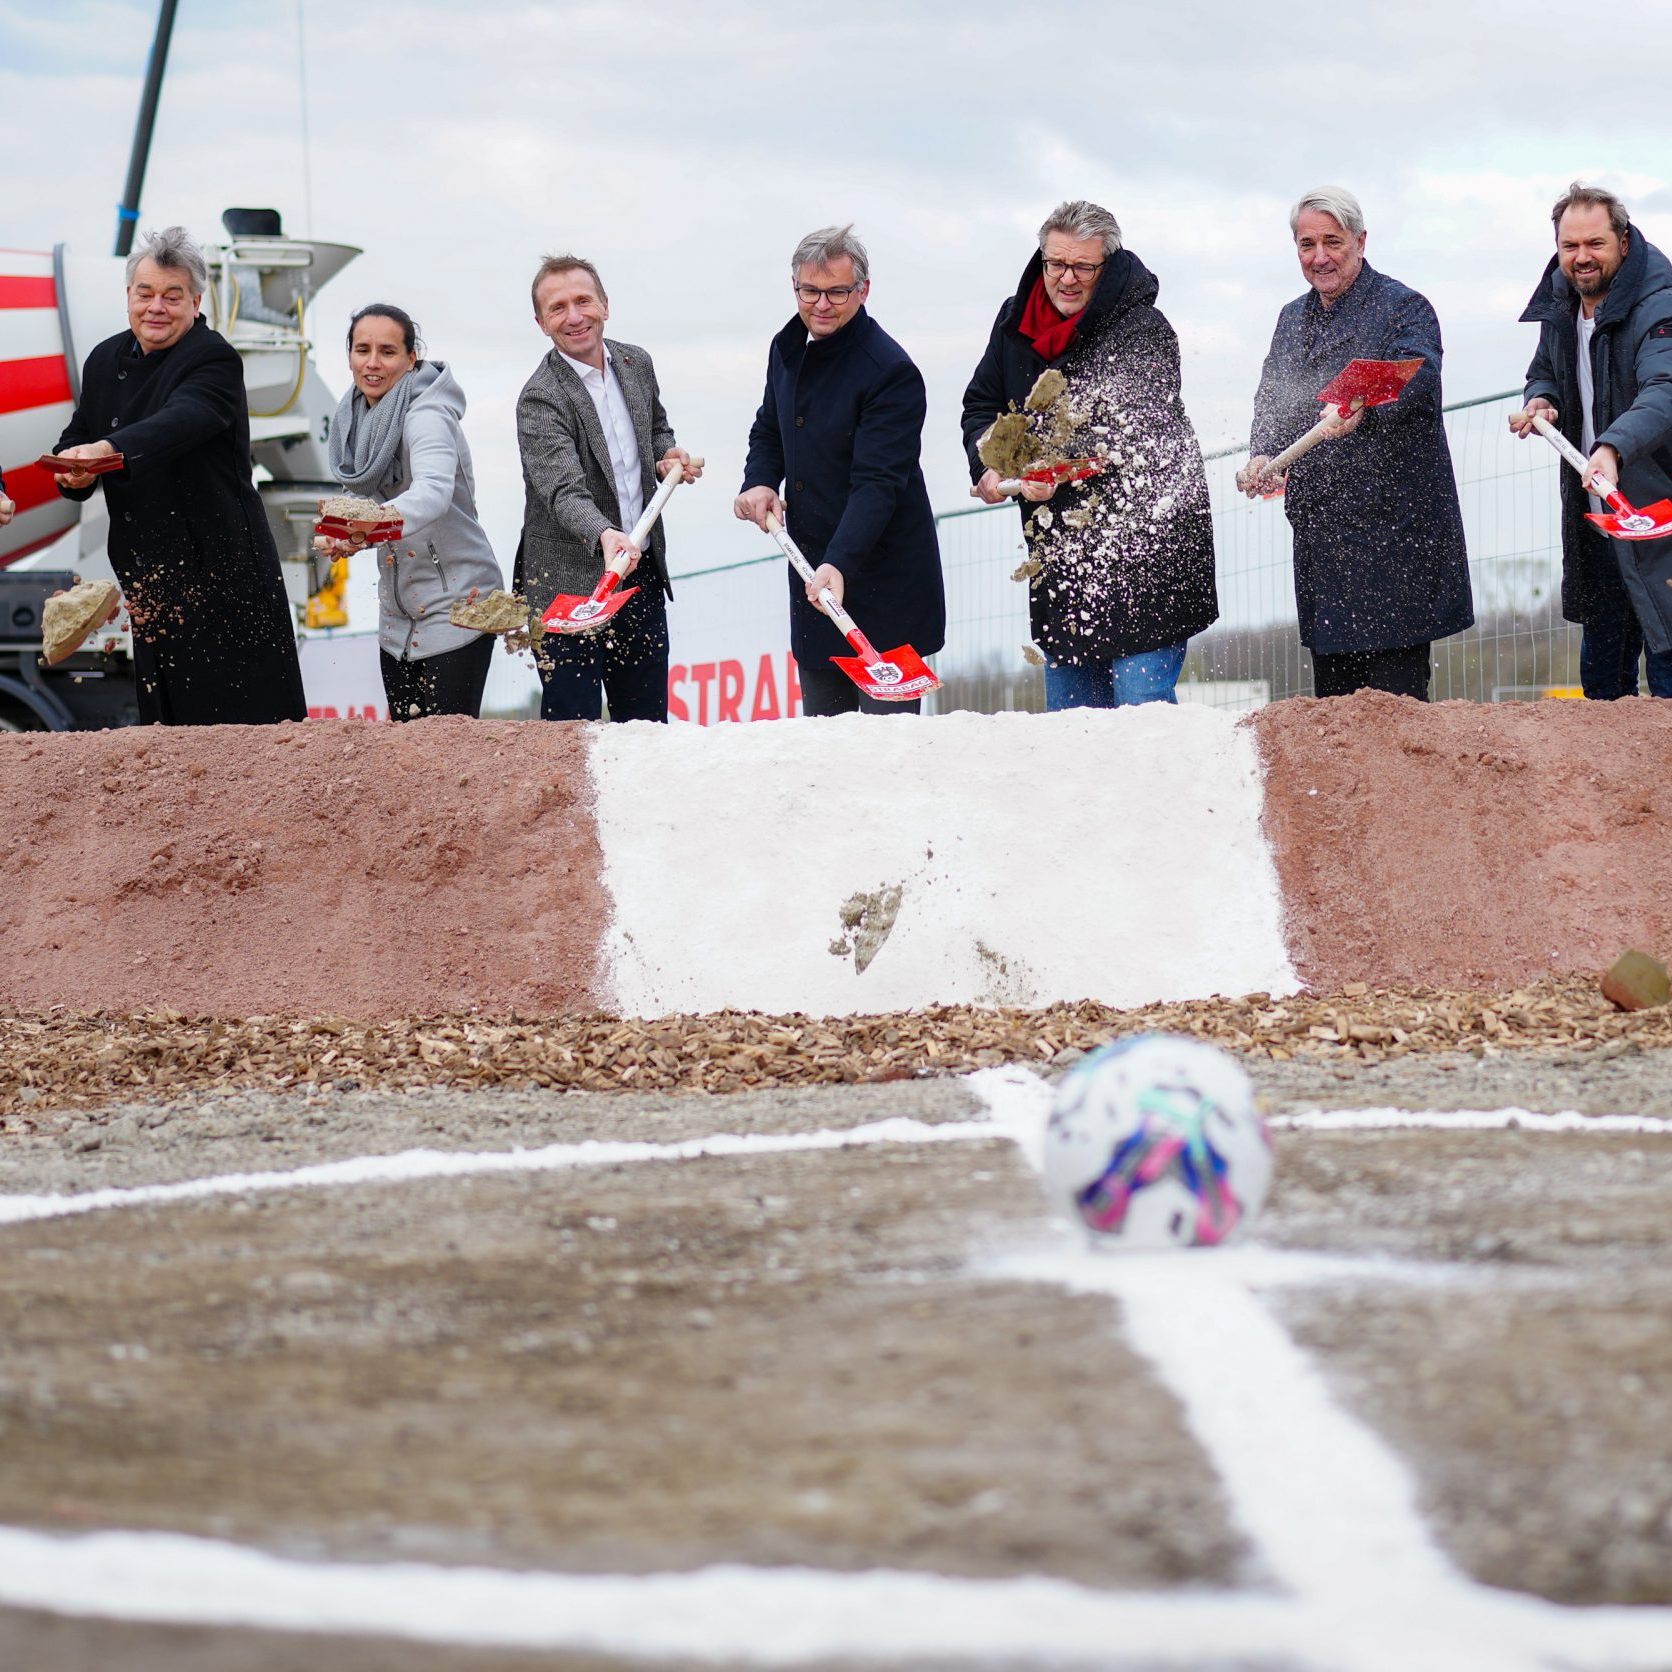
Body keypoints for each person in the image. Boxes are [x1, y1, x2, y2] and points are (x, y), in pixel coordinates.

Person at [962, 200, 1216, 709]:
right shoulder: (1015, 322)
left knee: (1141, 717)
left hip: (1147, 555)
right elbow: (981, 405)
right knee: (1073, 733)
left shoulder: (1143, 329)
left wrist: (1044, 467)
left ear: (1109, 264)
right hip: (1062, 565)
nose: (1067, 278)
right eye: (1056, 263)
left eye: (1083, 266)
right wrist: (992, 463)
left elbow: (1132, 426)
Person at [50, 224, 306, 725]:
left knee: (244, 730)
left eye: (173, 295)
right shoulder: (105, 359)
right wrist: (72, 472)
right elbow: (77, 433)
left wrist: (108, 449)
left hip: (222, 573)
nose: (156, 307)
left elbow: (180, 422)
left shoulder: (213, 358)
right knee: (166, 730)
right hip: (148, 577)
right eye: (145, 294)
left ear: (196, 301)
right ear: (128, 295)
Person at [1236, 187, 1472, 700]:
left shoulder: (1404, 307)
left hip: (1395, 539)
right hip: (1325, 541)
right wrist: (1262, 452)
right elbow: (1273, 399)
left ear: (1360, 242)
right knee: (1336, 711)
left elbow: (1419, 376)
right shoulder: (1290, 319)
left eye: (1332, 242)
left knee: (1395, 710)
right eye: (1306, 245)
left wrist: (1361, 406)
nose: (1319, 257)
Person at [735, 225, 944, 716]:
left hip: (881, 582)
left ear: (863, 290)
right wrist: (760, 480)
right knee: (824, 749)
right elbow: (769, 427)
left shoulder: (890, 371)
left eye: (837, 292)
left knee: (884, 753)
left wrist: (840, 563)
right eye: (809, 291)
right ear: (795, 286)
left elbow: (877, 484)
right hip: (814, 577)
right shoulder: (785, 349)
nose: (821, 305)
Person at [516, 254, 701, 723]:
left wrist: (667, 456)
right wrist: (603, 533)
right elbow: (562, 491)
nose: (574, 316)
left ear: (605, 305)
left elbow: (656, 428)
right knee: (572, 736)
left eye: (583, 301)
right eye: (557, 308)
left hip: (640, 576)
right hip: (568, 589)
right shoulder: (539, 398)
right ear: (541, 323)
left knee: (645, 729)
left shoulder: (637, 363)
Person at [1510, 181, 1672, 698]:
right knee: (1603, 699)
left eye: (1595, 244)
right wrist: (1541, 398)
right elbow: (1544, 370)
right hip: (1600, 527)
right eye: (1569, 246)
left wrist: (1612, 446)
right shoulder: (1561, 303)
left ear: (1623, 242)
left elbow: (1664, 388)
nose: (1581, 258)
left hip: (1658, 522)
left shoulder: (1659, 303)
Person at [324, 303, 504, 721]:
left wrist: (362, 530)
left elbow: (432, 493)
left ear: (411, 359)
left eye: (387, 352)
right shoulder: (354, 418)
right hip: (397, 623)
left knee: (446, 760)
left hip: (461, 607)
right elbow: (361, 497)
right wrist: (340, 532)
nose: (372, 363)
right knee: (405, 760)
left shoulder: (428, 414)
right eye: (361, 349)